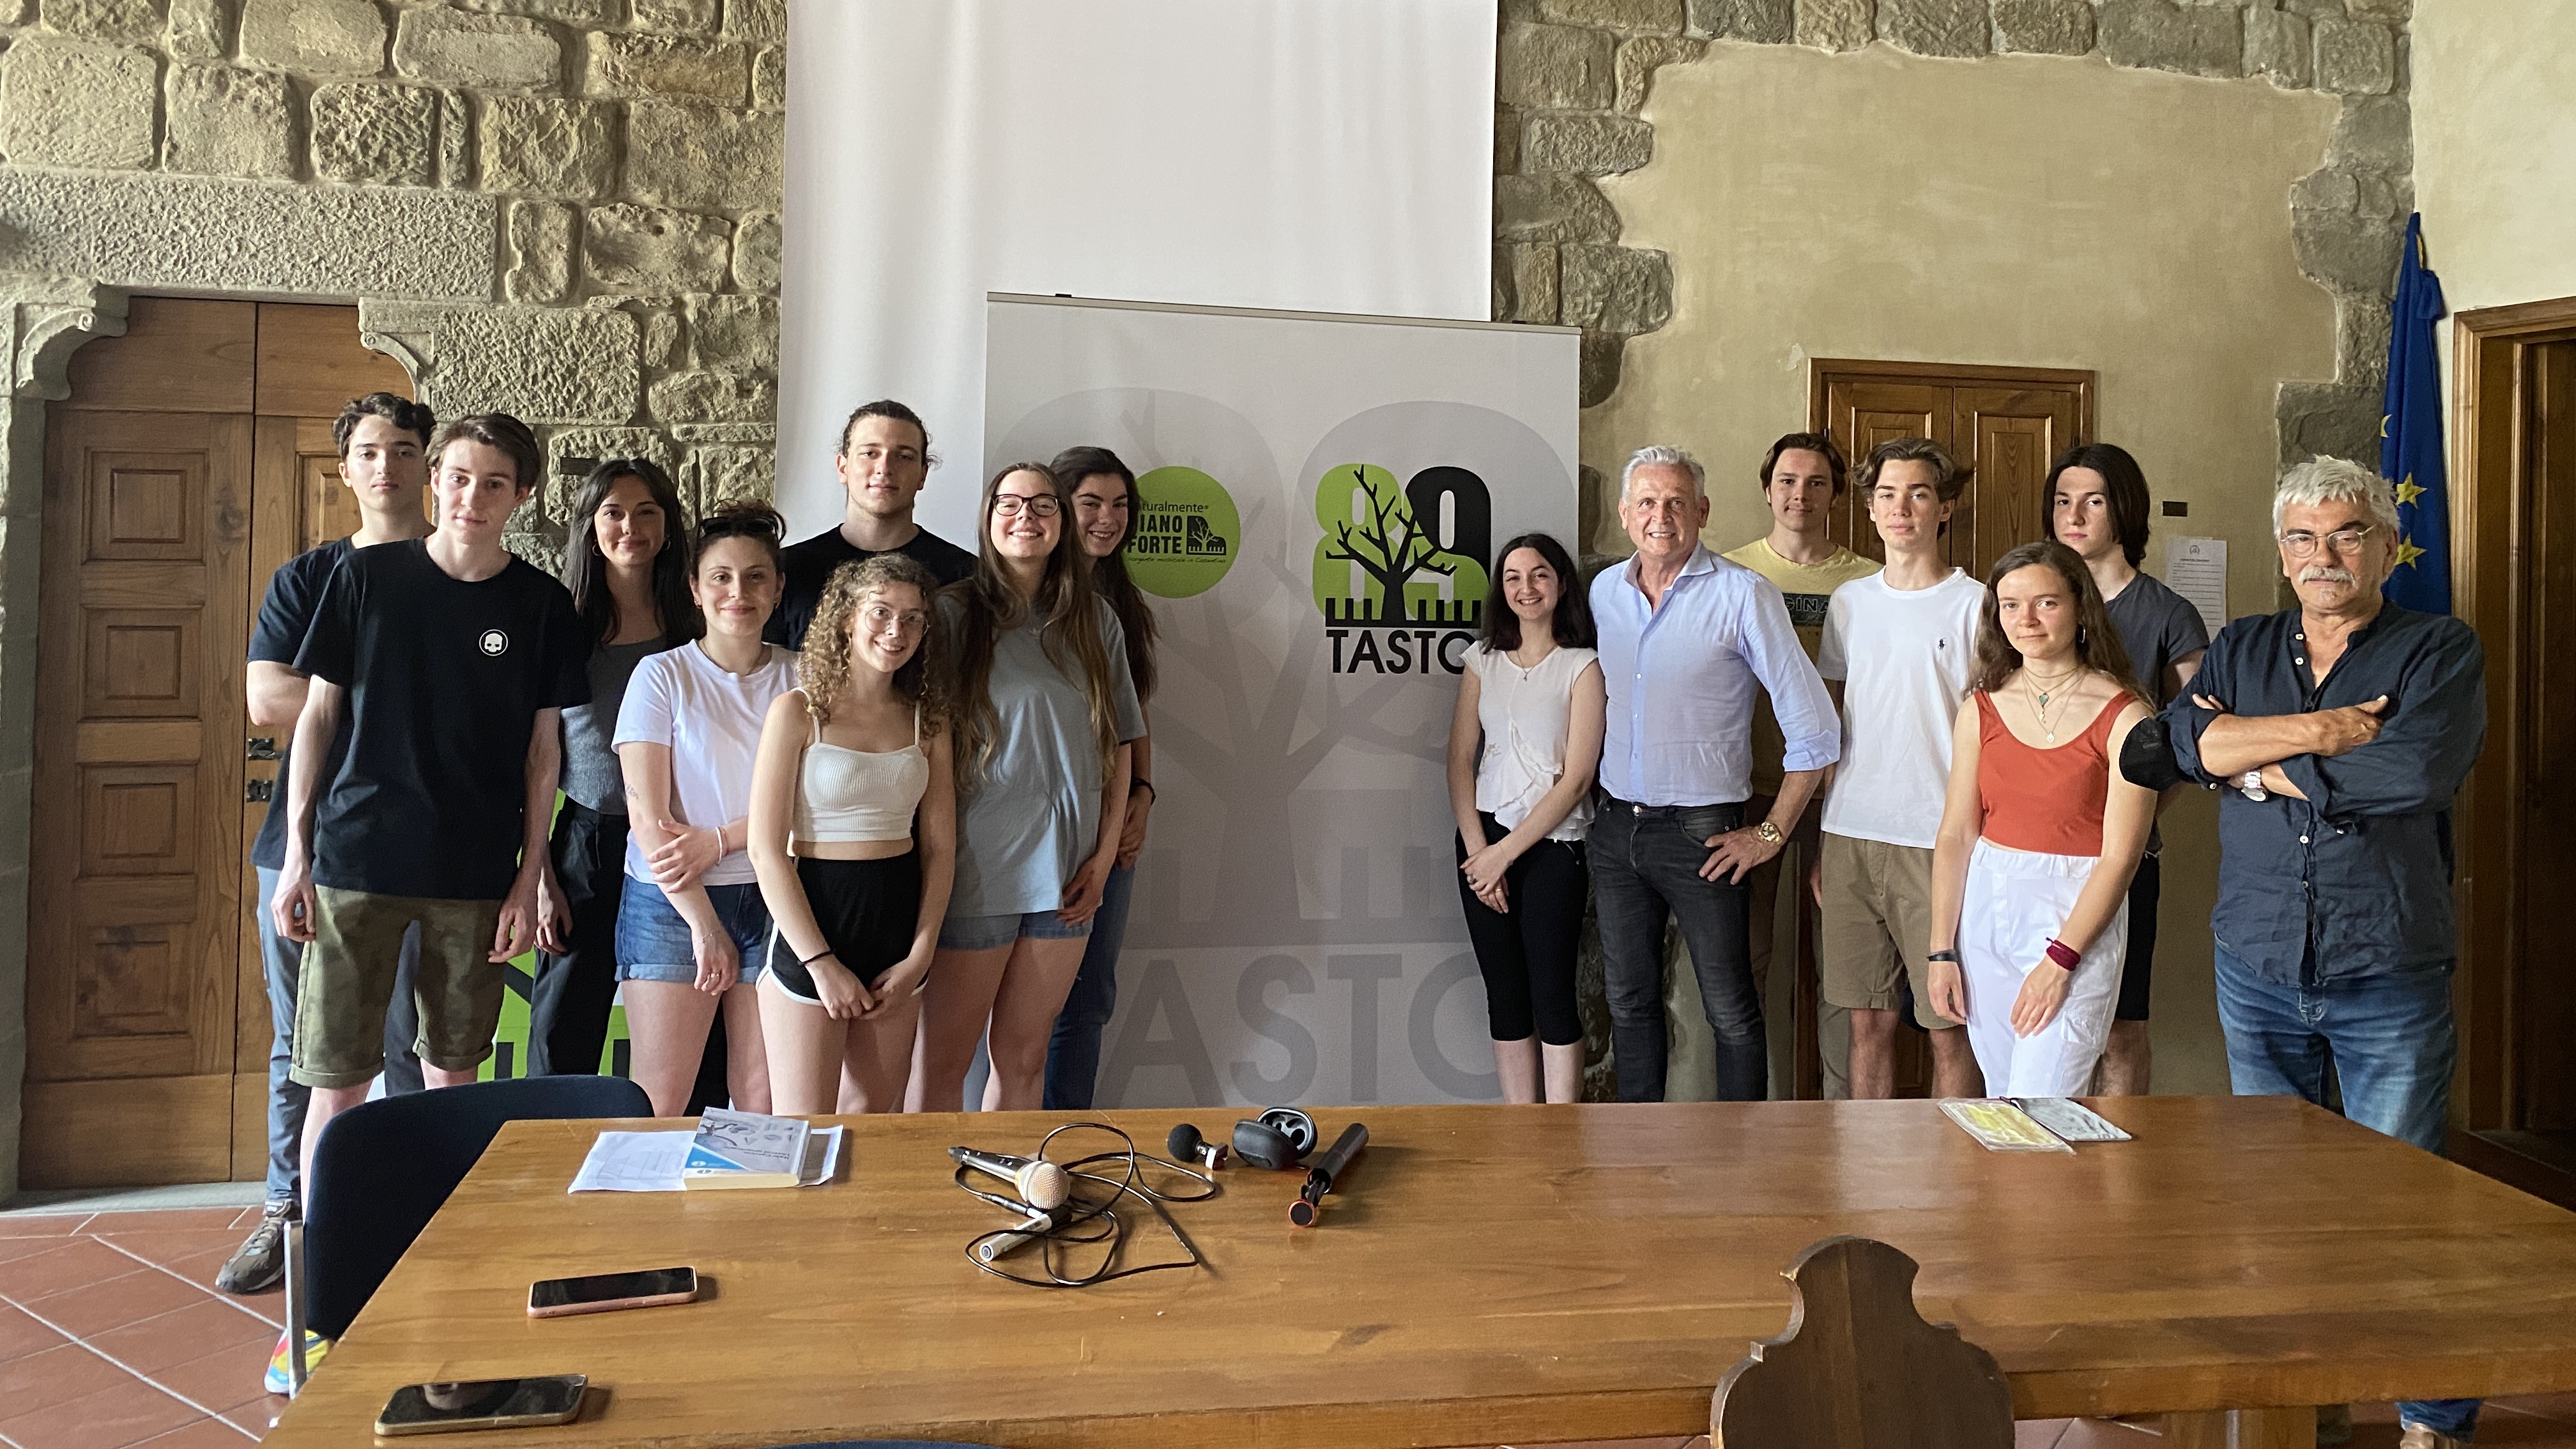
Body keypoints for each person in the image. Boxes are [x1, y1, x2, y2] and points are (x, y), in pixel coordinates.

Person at [2156, 458, 2486, 1449]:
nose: (2324, 555)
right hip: (2256, 963)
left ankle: (2432, 1418)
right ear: (2281, 553)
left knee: (2403, 1208)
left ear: (2386, 544)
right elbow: (2167, 747)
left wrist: (2253, 763)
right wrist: (2323, 737)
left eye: (2346, 534)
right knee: (2276, 1208)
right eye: (2302, 538)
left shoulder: (2439, 651)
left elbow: (2411, 771)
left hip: (2386, 961)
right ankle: (2309, 1401)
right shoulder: (2243, 646)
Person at [272, 411, 587, 1169]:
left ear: (521, 496)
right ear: (435, 479)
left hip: (474, 874)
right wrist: (296, 856)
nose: (471, 497)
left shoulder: (541, 605)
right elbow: (317, 718)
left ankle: (442, 1253)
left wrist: (529, 876)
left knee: (454, 1076)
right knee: (337, 1085)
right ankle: (330, 1260)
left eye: (493, 484)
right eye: (458, 478)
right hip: (357, 863)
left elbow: (545, 755)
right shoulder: (362, 577)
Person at [218, 392, 434, 1296]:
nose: (386, 466)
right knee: (297, 1041)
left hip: (427, 848)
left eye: (404, 449)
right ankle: (290, 1211)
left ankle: (407, 1206)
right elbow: (266, 698)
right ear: (345, 468)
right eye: (369, 451)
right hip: (306, 843)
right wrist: (381, 691)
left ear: (430, 464)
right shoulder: (307, 578)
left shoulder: (466, 575)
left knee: (404, 1041)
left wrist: (345, 688)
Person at [1590, 445, 1837, 1103]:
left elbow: (1815, 728)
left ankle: (1743, 1161)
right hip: (1615, 831)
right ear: (1625, 514)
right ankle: (1637, 1150)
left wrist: (1773, 832)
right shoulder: (1603, 593)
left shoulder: (1744, 594)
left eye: (1675, 501)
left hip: (1704, 836)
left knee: (1730, 1010)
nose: (1660, 515)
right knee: (1630, 1004)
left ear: (1702, 510)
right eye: (1646, 501)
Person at [909, 463, 1145, 1113]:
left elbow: (1121, 744)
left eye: (1043, 505)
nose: (1027, 517)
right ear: (987, 520)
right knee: (943, 1067)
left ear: (1061, 524)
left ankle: (1007, 1195)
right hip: (974, 875)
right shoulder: (950, 614)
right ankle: (927, 1205)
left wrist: (1100, 863)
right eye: (1010, 504)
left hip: (1067, 880)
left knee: (1024, 1058)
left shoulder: (1097, 622)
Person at [1925, 541, 2152, 1096]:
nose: (2025, 619)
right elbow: (1956, 835)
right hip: (1986, 915)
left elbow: (2122, 858)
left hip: (2074, 915)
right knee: (2006, 1104)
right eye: (2009, 605)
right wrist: (1941, 951)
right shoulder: (1981, 706)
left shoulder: (2128, 715)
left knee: (2043, 1107)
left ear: (2080, 608)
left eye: (2045, 603)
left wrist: (2062, 960)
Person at [750, 555, 956, 1114]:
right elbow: (766, 851)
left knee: (874, 1118)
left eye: (913, 618)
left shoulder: (928, 720)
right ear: (846, 617)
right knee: (802, 1123)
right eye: (882, 612)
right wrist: (820, 962)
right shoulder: (797, 711)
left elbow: (940, 850)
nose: (897, 631)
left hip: (896, 931)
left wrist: (920, 953)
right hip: (814, 923)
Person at [612, 505, 801, 1116]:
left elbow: (809, 808)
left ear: (777, 589)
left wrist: (721, 840)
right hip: (671, 905)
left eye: (755, 577)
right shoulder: (660, 677)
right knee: (661, 1098)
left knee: (762, 1099)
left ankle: (749, 1216)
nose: (738, 593)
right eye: (720, 577)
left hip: (777, 900)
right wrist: (703, 924)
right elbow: (650, 823)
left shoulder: (803, 681)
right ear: (695, 589)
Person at [1816, 439, 1985, 1100]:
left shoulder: (1976, 603)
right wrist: (1823, 844)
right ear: (1869, 508)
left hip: (1937, 838)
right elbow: (1836, 720)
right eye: (1887, 494)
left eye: (1918, 494)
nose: (1901, 508)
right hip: (1852, 835)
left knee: (1949, 1025)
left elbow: (1993, 732)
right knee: (1866, 1023)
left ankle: (1959, 1182)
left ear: (1944, 509)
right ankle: (1871, 1176)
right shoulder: (1850, 603)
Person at [2042, 443, 2207, 1096]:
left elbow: (2197, 743)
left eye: (2093, 500)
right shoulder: (2033, 601)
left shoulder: (2169, 614)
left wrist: (2133, 826)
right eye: (2062, 500)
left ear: (2124, 509)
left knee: (2121, 1027)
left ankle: (2119, 1184)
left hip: (2125, 857)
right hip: (2034, 852)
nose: (2073, 514)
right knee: (2043, 1014)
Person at [526, 460, 694, 1078]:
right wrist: (541, 877)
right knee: (563, 1031)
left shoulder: (695, 626)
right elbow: (536, 761)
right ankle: (548, 1167)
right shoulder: (563, 629)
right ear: (590, 527)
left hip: (679, 842)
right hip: (587, 845)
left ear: (669, 527)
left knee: (687, 1033)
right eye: (614, 513)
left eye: (647, 511)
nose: (631, 527)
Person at [1723, 431, 1878, 1100]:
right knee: (1745, 959)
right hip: (1748, 792)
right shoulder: (1728, 574)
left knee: (1842, 968)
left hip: (1841, 797)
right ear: (1767, 489)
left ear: (1837, 496)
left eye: (1817, 482)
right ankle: (1747, 1117)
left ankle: (1842, 1118)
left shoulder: (1869, 580)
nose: (1800, 494)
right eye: (1788, 480)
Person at [1446, 531, 1604, 1103]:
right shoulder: (1482, 659)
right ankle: (1519, 1128)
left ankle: (1560, 1134)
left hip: (1552, 847)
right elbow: (1460, 760)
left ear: (1561, 584)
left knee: (1553, 994)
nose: (1525, 588)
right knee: (1505, 994)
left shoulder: (1583, 666)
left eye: (1538, 575)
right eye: (1513, 577)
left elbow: (1578, 777)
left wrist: (1504, 855)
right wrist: (1476, 852)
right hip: (1479, 842)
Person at [1042, 446, 1159, 1110]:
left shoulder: (1121, 603)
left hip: (1111, 823)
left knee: (1089, 996)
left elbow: (1133, 716)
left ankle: (1067, 1136)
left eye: (1120, 506)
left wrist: (1144, 796)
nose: (1107, 519)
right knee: (1029, 1002)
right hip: (1043, 829)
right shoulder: (1023, 597)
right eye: (1091, 503)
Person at [769, 399, 977, 650]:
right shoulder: (787, 572)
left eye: (903, 456)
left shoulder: (964, 576)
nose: (885, 468)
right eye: (870, 453)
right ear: (843, 467)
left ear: (923, 474)